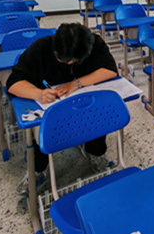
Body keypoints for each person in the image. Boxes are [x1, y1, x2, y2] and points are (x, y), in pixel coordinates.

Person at [7, 23, 119, 193]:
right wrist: (38, 94)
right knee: (40, 130)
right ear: (55, 50)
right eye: (66, 60)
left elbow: (110, 70)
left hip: (84, 106)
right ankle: (38, 170)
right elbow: (13, 83)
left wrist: (76, 83)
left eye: (75, 61)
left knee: (99, 110)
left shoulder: (93, 43)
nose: (70, 63)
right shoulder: (40, 49)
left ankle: (95, 154)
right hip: (50, 110)